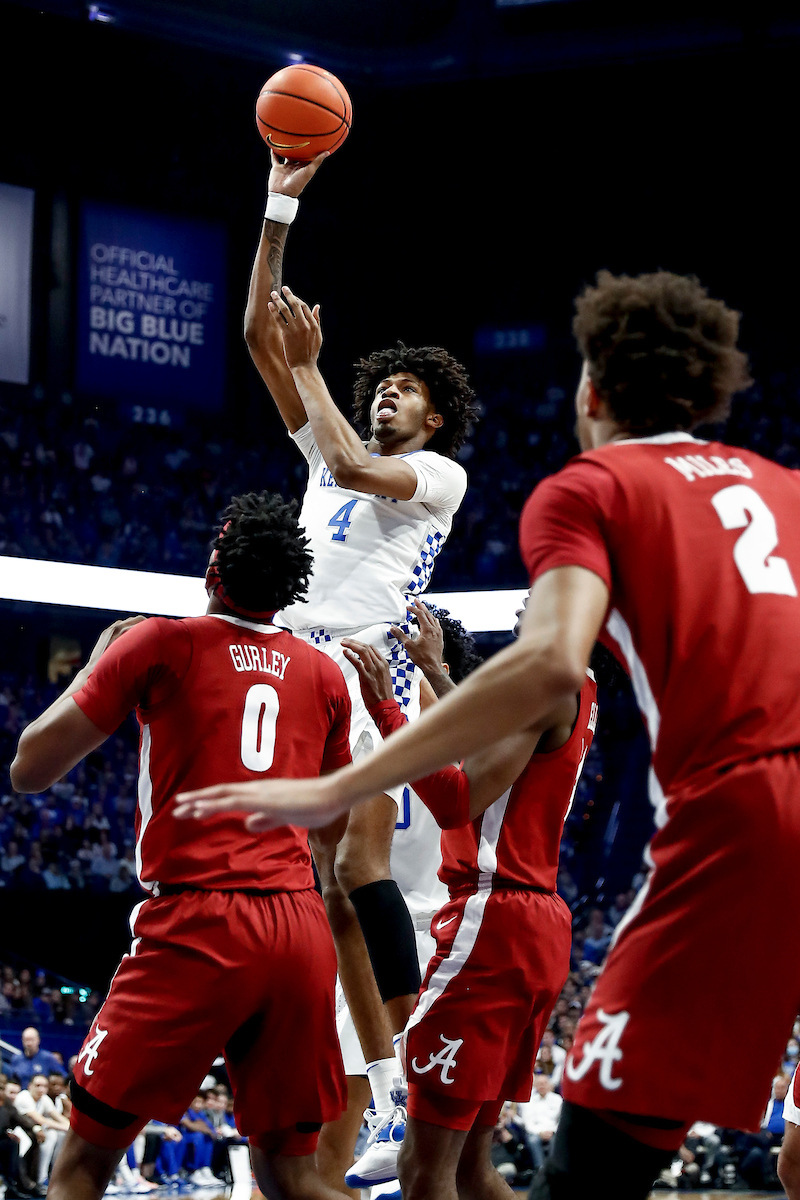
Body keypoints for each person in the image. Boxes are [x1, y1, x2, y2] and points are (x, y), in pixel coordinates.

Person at [176, 269, 800, 1200]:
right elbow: (269, 350)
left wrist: (372, 748)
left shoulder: (589, 488)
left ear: (589, 393)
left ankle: (379, 1080)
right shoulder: (783, 486)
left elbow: (548, 666)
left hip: (722, 823)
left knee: (565, 1169)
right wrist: (280, 207)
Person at [10, 491, 355, 1200]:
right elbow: (333, 826)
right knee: (292, 1176)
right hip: (297, 926)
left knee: (82, 1161)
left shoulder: (160, 642)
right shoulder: (324, 675)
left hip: (200, 923)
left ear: (213, 563)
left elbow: (29, 769)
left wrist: (97, 660)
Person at [244, 148, 477, 1168]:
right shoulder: (332, 453)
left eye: (405, 390)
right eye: (378, 384)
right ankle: (350, 1078)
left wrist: (308, 366)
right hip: (289, 661)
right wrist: (279, 208)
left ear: (433, 418)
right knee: (300, 891)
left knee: (351, 879)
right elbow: (260, 332)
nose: (387, 394)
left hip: (359, 667)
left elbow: (340, 455)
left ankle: (397, 1081)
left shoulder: (434, 474)